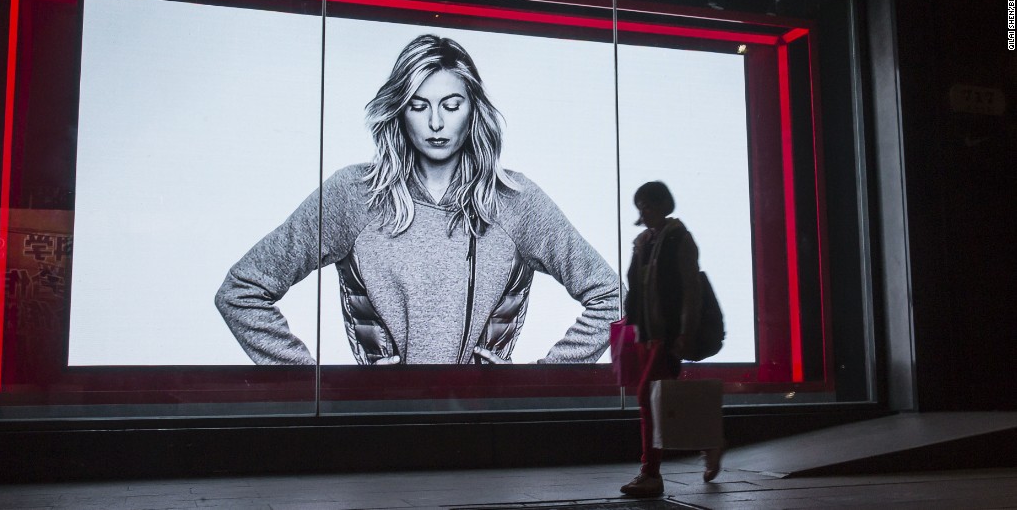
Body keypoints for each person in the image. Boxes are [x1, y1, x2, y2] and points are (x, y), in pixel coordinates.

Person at [215, 34, 618, 365]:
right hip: (381, 429)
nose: (436, 123)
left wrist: (541, 384)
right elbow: (242, 291)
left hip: (486, 430)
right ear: (400, 112)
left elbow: (612, 299)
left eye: (451, 105)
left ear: (473, 110)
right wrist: (316, 386)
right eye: (419, 106)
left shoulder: (514, 200)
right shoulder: (354, 195)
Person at [619, 181, 722, 497]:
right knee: (663, 401)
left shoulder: (678, 237)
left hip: (667, 337)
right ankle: (710, 443)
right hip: (649, 338)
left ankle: (651, 473)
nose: (644, 212)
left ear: (664, 204)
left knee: (648, 399)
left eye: (648, 205)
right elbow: (638, 290)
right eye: (641, 206)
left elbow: (691, 290)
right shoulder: (643, 242)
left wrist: (684, 332)